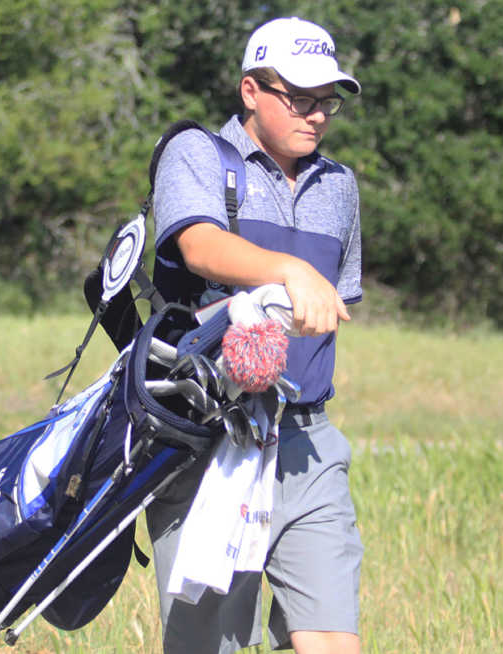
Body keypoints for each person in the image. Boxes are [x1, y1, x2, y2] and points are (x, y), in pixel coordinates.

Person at [145, 16, 364, 654]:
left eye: (328, 101)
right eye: (299, 98)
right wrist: (289, 271)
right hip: (208, 441)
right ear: (250, 91)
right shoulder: (198, 154)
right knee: (208, 646)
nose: (317, 115)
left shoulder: (340, 187)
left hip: (306, 441)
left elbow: (335, 301)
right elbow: (198, 245)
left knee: (331, 639)